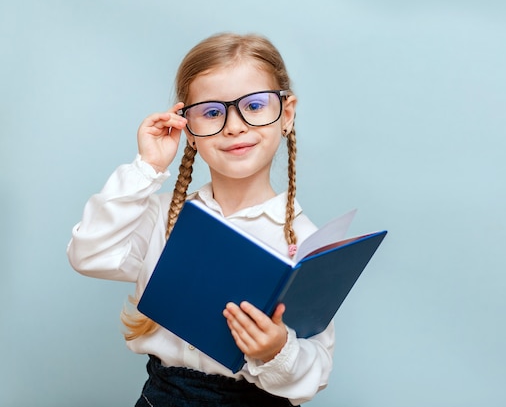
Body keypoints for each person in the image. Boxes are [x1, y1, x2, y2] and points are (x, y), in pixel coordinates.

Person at [67, 32, 334, 407]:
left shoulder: (306, 242)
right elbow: (90, 255)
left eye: (254, 106)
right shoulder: (163, 217)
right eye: (211, 112)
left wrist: (277, 350)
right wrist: (148, 168)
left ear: (285, 114)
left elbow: (315, 373)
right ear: (188, 129)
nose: (234, 126)